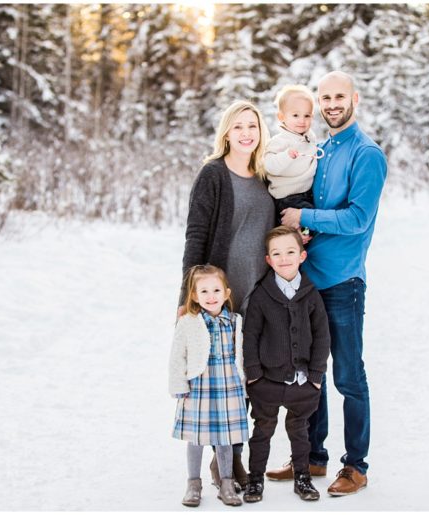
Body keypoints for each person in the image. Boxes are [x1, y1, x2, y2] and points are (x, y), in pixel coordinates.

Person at [272, 71, 387, 496]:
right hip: (307, 283)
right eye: (325, 97)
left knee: (349, 377)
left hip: (343, 282)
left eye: (339, 96)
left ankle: (355, 466)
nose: (331, 103)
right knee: (309, 374)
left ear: (354, 98)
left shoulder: (366, 154)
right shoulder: (318, 149)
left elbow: (358, 220)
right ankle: (313, 458)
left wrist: (305, 218)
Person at [178, 100, 275, 490]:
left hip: (260, 292)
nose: (246, 133)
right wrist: (187, 298)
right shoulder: (213, 175)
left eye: (252, 126)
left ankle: (235, 455)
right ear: (226, 133)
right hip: (221, 297)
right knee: (220, 380)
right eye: (238, 127)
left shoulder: (267, 175)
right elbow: (195, 235)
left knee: (248, 377)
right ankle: (227, 464)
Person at [241, 226, 330, 503]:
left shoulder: (310, 294)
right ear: (268, 259)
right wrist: (254, 375)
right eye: (276, 253)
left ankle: (302, 477)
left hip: (302, 383)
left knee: (300, 433)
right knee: (262, 432)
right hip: (266, 382)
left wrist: (316, 376)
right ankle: (255, 480)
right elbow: (251, 335)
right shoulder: (261, 295)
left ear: (302, 256)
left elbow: (322, 336)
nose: (284, 258)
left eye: (290, 252)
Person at [169, 265, 248, 507]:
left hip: (228, 386)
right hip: (199, 387)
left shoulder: (235, 321)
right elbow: (177, 356)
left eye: (216, 290)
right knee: (196, 438)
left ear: (226, 293)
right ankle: (193, 483)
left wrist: (246, 382)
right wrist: (179, 384)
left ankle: (226, 482)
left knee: (226, 438)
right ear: (194, 295)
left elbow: (242, 355)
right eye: (204, 291)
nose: (211, 296)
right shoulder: (188, 322)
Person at [263, 85, 324, 230]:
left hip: (306, 193)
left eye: (307, 115)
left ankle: (302, 237)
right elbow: (269, 165)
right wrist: (286, 156)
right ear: (282, 117)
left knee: (313, 216)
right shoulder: (280, 141)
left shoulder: (309, 138)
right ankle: (301, 235)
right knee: (306, 218)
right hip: (287, 196)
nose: (302, 121)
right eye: (295, 115)